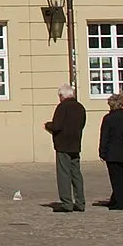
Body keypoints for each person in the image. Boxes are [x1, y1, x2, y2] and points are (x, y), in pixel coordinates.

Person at [43, 84, 87, 212]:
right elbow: (82, 124)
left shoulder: (62, 107)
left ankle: (66, 203)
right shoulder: (80, 107)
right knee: (76, 173)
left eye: (60, 96)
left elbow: (57, 126)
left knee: (64, 173)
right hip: (75, 143)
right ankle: (80, 202)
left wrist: (47, 125)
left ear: (63, 96)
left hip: (63, 144)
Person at [99, 93, 123, 210]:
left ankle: (120, 203)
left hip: (113, 153)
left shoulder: (108, 119)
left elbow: (104, 137)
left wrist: (102, 152)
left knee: (116, 179)